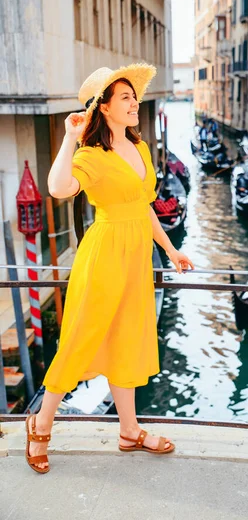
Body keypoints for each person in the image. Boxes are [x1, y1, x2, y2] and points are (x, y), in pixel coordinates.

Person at [25, 64, 194, 474]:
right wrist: (68, 137)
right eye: (125, 97)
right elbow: (58, 188)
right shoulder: (90, 155)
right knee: (80, 338)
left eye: (134, 97)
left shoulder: (139, 148)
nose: (135, 102)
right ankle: (40, 423)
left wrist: (171, 249)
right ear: (103, 108)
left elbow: (144, 206)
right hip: (104, 254)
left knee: (128, 339)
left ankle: (129, 430)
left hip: (137, 255)